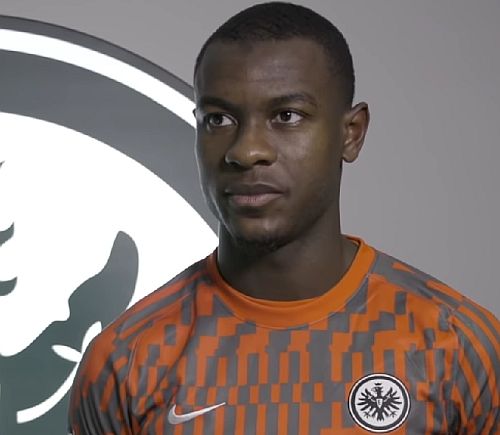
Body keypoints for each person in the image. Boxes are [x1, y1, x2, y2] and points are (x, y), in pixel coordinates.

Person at [68, 2, 499, 434]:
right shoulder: (126, 361)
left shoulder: (456, 345)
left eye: (286, 116)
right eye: (219, 119)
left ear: (351, 134)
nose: (246, 151)